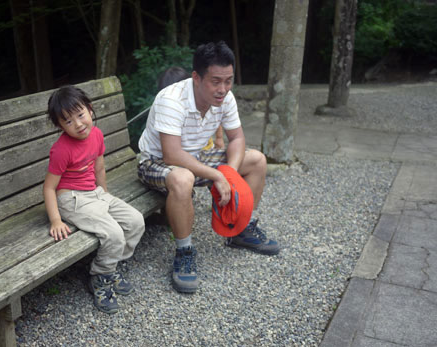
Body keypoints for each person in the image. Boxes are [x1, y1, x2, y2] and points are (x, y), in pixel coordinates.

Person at [138, 41, 279, 294]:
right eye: (216, 81)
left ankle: (241, 229)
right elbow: (172, 154)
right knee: (182, 178)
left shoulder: (226, 98)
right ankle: (184, 252)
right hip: (156, 161)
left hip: (196, 157)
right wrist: (215, 174)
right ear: (196, 77)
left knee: (256, 160)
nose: (223, 89)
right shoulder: (171, 100)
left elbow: (237, 139)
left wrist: (229, 175)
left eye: (228, 80)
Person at [43, 85, 145, 314]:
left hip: (94, 193)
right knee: (114, 233)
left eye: (80, 115)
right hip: (71, 198)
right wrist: (56, 220)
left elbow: (99, 168)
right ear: (60, 126)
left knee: (136, 221)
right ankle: (101, 277)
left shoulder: (96, 134)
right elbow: (49, 188)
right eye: (68, 121)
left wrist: (106, 197)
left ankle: (112, 264)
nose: (78, 124)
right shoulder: (61, 149)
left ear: (90, 110)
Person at [157, 66, 225, 150]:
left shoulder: (200, 102)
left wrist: (219, 138)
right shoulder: (167, 108)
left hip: (205, 148)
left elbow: (216, 116)